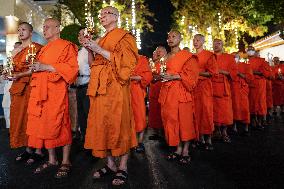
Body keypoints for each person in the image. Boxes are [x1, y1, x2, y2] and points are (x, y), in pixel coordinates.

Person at [83, 6, 138, 186]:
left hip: (116, 86)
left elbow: (126, 63)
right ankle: (110, 164)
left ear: (116, 17)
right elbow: (93, 64)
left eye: (106, 14)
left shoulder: (125, 36)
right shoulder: (100, 38)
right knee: (102, 125)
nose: (102, 17)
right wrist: (90, 48)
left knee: (119, 124)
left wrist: (97, 48)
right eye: (101, 15)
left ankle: (123, 166)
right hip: (99, 88)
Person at [26, 18, 78, 178]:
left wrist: (46, 67)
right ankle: (52, 159)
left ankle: (66, 161)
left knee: (61, 124)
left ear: (57, 28)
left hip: (56, 92)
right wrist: (34, 68)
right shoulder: (43, 49)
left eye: (48, 27)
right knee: (44, 125)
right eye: (43, 27)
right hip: (40, 92)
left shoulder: (66, 46)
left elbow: (72, 69)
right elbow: (39, 69)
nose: (44, 29)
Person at [2, 23, 44, 164]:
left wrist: (19, 74)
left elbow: (37, 68)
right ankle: (28, 149)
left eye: (23, 29)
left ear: (31, 32)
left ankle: (38, 150)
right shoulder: (16, 50)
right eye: (18, 30)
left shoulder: (37, 48)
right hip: (18, 88)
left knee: (33, 118)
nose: (20, 32)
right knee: (19, 118)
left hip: (33, 86)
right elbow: (10, 68)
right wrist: (8, 74)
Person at [159, 30, 199, 164]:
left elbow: (192, 77)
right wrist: (161, 76)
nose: (170, 39)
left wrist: (175, 76)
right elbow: (162, 72)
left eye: (173, 36)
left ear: (180, 39)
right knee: (172, 121)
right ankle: (178, 148)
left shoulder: (187, 56)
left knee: (184, 122)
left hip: (182, 92)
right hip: (168, 93)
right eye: (168, 36)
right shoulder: (166, 57)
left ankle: (186, 150)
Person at [193, 34, 218, 149]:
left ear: (203, 42)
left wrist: (198, 73)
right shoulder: (191, 56)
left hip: (204, 87)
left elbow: (213, 73)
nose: (195, 42)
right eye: (194, 40)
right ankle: (199, 137)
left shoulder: (209, 55)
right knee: (196, 112)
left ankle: (208, 139)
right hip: (193, 87)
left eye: (198, 40)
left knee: (206, 111)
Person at [212, 39, 237, 142]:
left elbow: (234, 73)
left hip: (224, 88)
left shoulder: (229, 57)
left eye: (218, 43)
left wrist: (222, 72)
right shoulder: (210, 57)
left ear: (222, 45)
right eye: (214, 44)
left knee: (225, 111)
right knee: (214, 110)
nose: (216, 45)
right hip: (212, 87)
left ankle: (225, 132)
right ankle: (216, 131)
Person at [74, 28, 93, 142]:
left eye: (84, 34)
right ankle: (85, 139)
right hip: (78, 86)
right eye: (79, 35)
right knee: (81, 115)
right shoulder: (78, 52)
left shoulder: (92, 49)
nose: (81, 37)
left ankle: (92, 143)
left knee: (89, 115)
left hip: (88, 85)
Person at [130, 55, 152, 153]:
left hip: (137, 91)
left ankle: (140, 142)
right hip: (124, 91)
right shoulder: (121, 56)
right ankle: (130, 142)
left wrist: (131, 77)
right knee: (127, 118)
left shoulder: (142, 58)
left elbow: (147, 77)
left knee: (140, 116)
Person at [247, 46, 270, 130]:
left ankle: (260, 122)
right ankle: (254, 120)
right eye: (248, 50)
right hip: (249, 85)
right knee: (251, 104)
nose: (250, 51)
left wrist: (252, 72)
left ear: (254, 51)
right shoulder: (246, 62)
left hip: (259, 85)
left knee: (260, 103)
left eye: (252, 50)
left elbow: (265, 73)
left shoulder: (261, 61)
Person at [231, 52, 253, 135]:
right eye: (233, 57)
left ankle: (246, 127)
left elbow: (250, 78)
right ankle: (234, 126)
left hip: (242, 90)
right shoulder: (230, 66)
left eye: (236, 57)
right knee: (234, 108)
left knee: (244, 108)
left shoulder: (246, 66)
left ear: (239, 58)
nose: (234, 58)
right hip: (232, 90)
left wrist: (240, 74)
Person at [148, 46, 167, 140]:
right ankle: (156, 132)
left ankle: (163, 132)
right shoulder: (153, 63)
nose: (158, 53)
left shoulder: (165, 63)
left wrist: (157, 77)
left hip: (162, 90)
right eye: (157, 51)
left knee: (161, 112)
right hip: (153, 91)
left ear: (164, 52)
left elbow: (164, 75)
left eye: (160, 51)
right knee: (153, 112)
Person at [1, 42, 20, 130]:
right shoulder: (10, 60)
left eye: (17, 47)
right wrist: (4, 76)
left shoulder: (25, 60)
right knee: (7, 107)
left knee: (18, 109)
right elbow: (4, 74)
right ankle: (9, 127)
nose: (14, 49)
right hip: (8, 86)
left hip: (19, 87)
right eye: (14, 47)